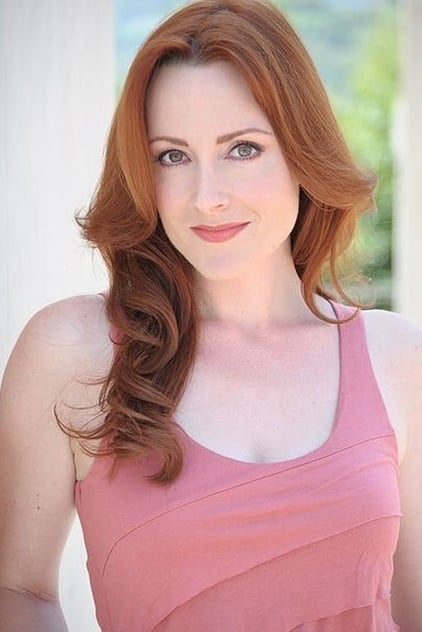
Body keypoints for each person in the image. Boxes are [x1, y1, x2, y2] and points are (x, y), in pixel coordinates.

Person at [0, 0, 421, 630]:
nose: (207, 197)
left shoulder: (397, 356)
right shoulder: (74, 351)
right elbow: (18, 589)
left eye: (242, 149)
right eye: (172, 156)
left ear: (302, 152)